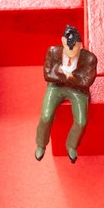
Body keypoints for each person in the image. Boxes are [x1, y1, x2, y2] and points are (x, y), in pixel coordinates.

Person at [35, 25, 97, 163]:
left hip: (78, 90)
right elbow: (48, 75)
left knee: (81, 121)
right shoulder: (53, 52)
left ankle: (71, 145)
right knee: (46, 116)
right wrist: (64, 76)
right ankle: (41, 143)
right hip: (56, 86)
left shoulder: (89, 59)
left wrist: (71, 77)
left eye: (75, 48)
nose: (71, 52)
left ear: (80, 46)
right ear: (63, 42)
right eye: (68, 47)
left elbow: (87, 81)